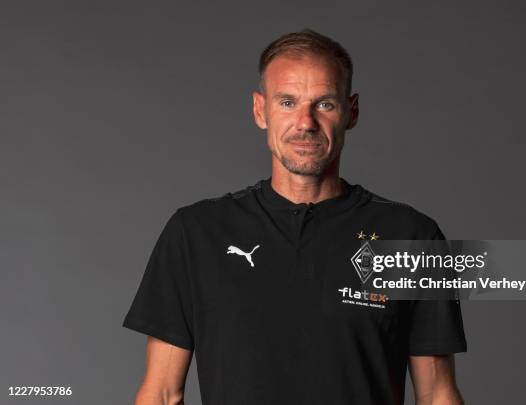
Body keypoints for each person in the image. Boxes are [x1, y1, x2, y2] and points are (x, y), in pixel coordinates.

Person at [123, 29, 467, 405]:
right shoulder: (196, 234)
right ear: (260, 110)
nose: (305, 123)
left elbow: (437, 395)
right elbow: (160, 394)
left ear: (351, 111)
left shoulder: (412, 236)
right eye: (287, 102)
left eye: (325, 104)